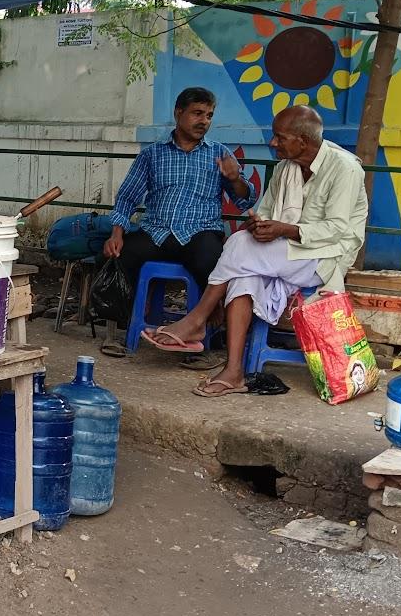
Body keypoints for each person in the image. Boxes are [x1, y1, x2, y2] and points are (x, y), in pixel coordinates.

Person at [144, 105, 369, 397]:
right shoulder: (286, 168)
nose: (272, 143)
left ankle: (197, 320)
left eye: (279, 137)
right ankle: (234, 371)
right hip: (286, 253)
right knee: (242, 277)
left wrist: (282, 230)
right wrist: (258, 225)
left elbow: (337, 229)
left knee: (237, 245)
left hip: (325, 256)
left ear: (303, 140)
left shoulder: (344, 168)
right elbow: (264, 212)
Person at [104, 87, 256, 296]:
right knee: (116, 257)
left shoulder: (219, 153)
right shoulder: (152, 154)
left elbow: (244, 202)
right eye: (197, 113)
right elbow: (127, 196)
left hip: (200, 233)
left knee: (210, 261)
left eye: (209, 115)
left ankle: (210, 315)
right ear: (178, 113)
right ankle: (133, 317)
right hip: (156, 232)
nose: (204, 121)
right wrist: (116, 234)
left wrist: (235, 178)